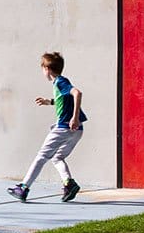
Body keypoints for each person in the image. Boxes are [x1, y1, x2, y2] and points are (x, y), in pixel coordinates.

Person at [7, 51, 87, 203]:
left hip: (64, 128)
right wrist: (49, 102)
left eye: (42, 68)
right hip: (77, 130)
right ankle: (69, 184)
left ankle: (23, 188)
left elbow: (77, 93)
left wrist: (75, 117)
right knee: (57, 158)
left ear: (47, 69)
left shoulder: (60, 81)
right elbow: (64, 99)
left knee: (42, 156)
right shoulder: (59, 83)